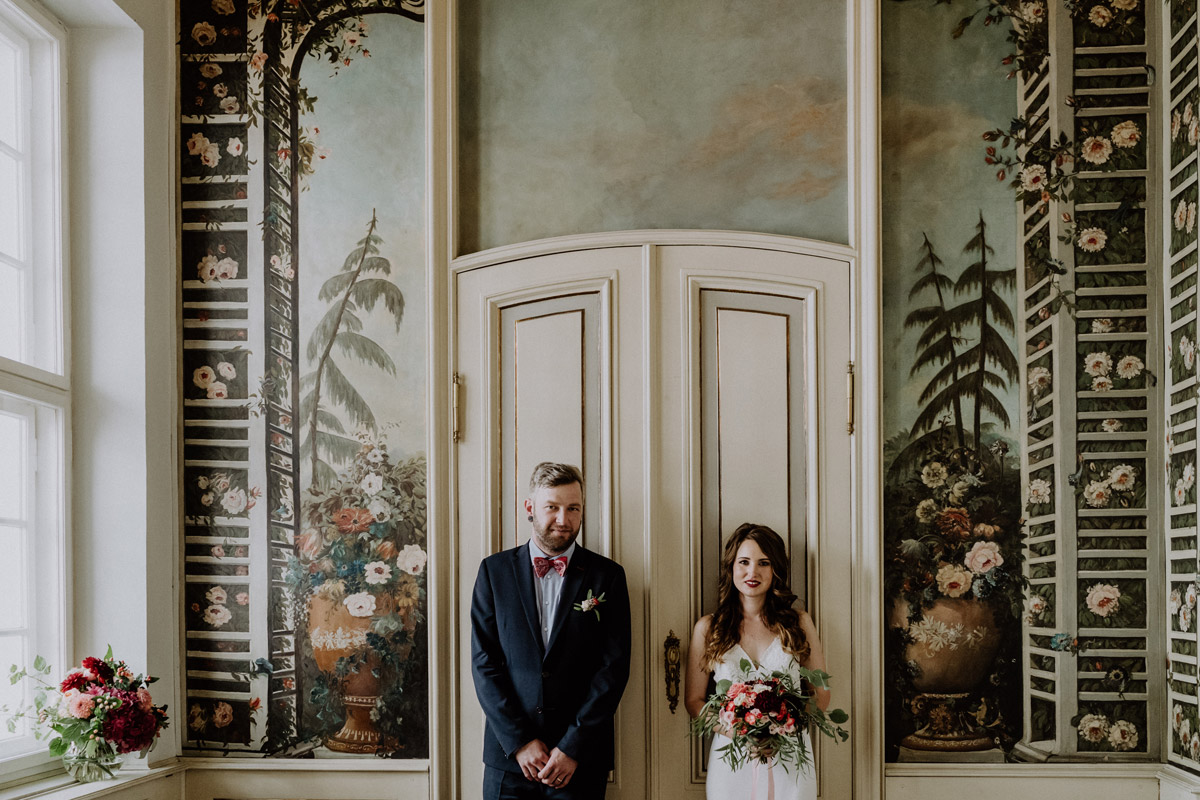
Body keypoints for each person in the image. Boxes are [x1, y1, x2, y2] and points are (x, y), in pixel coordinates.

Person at [471, 462, 631, 799]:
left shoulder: (608, 577)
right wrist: (520, 742)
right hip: (510, 760)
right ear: (530, 508)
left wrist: (572, 747)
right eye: (552, 507)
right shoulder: (493, 572)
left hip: (580, 760)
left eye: (573, 508)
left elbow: (612, 670)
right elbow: (485, 664)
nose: (563, 518)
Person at [684, 523, 829, 800]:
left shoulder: (798, 622)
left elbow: (821, 696)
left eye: (764, 563)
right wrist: (738, 730)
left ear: (776, 569)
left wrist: (780, 726)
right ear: (731, 567)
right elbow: (694, 701)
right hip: (732, 758)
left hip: (789, 758)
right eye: (744, 562)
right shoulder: (708, 628)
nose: (753, 572)